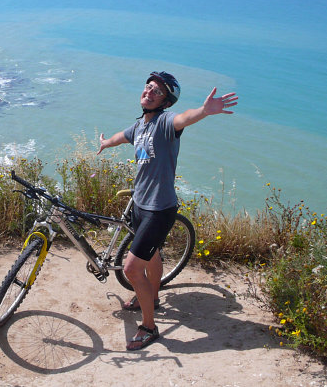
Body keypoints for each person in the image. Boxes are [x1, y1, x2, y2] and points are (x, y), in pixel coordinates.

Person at [97, 71, 237, 351]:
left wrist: (205, 111)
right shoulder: (140, 126)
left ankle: (149, 327)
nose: (149, 92)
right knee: (153, 255)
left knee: (131, 269)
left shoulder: (164, 123)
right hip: (140, 203)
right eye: (148, 87)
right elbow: (120, 137)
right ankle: (153, 296)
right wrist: (104, 143)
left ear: (166, 102)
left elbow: (184, 118)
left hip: (159, 209)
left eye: (157, 91)